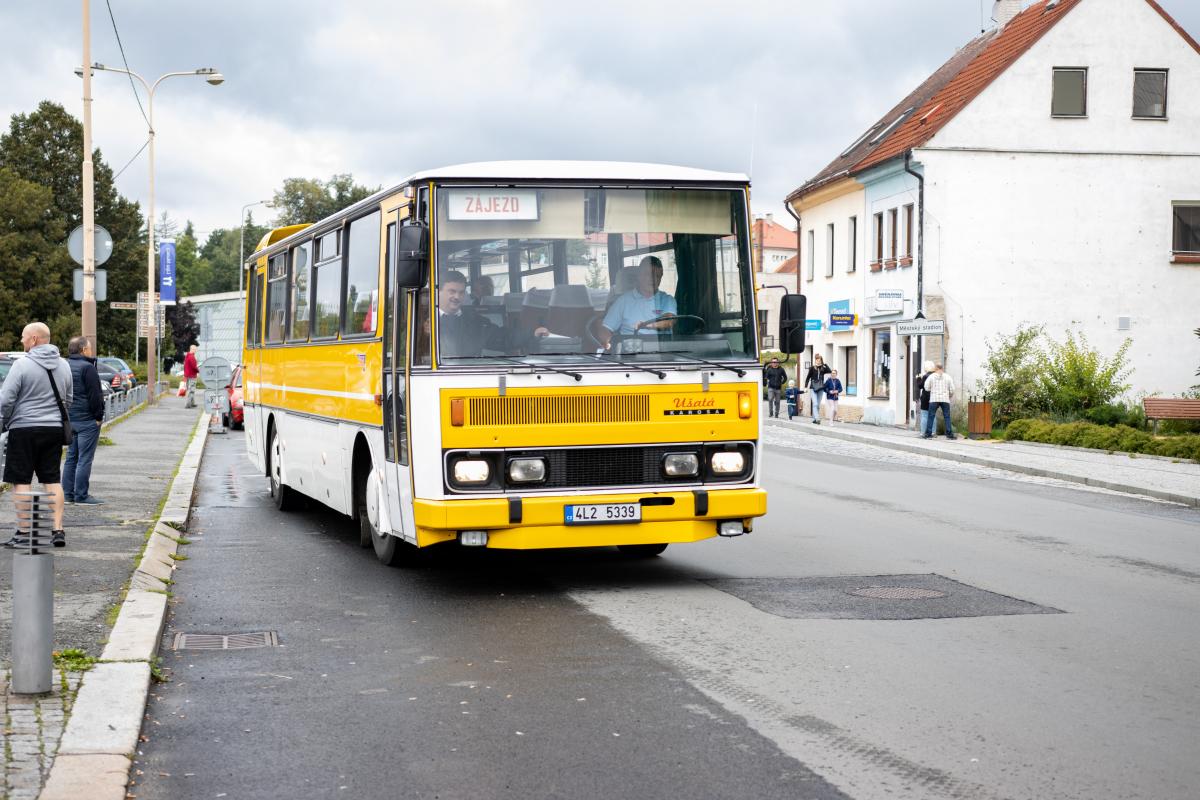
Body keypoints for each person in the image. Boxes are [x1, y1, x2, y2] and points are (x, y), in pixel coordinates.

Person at [0, 322, 72, 548]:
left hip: (24, 429)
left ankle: (23, 532)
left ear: (33, 339)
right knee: (52, 479)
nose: (21, 341)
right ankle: (57, 529)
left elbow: (6, 400)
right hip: (53, 430)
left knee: (20, 480)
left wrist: (6, 420)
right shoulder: (64, 365)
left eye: (23, 337)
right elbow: (68, 399)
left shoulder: (22, 365)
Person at [61, 336, 106, 506]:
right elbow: (95, 395)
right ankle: (81, 495)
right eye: (89, 347)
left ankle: (67, 494)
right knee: (85, 458)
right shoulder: (88, 368)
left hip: (70, 419)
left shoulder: (64, 366)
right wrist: (98, 417)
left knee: (71, 457)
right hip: (87, 420)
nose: (91, 350)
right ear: (82, 350)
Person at [599, 256, 676, 349]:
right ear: (639, 276)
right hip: (630, 352)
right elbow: (607, 328)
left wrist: (646, 325)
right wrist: (605, 342)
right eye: (649, 275)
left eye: (657, 276)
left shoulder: (667, 299)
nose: (653, 279)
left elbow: (668, 321)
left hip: (661, 352)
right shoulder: (623, 301)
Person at [435, 270, 504, 357]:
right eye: (452, 292)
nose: (457, 297)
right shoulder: (421, 320)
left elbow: (502, 338)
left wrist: (525, 334)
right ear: (438, 292)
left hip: (470, 369)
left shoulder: (476, 320)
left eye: (461, 292)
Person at [922, 363, 956, 440]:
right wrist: (949, 395)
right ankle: (949, 434)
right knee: (947, 416)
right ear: (942, 368)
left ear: (935, 369)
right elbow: (952, 389)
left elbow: (926, 387)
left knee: (931, 416)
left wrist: (932, 390)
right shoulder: (948, 377)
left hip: (934, 399)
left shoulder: (931, 377)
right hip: (945, 399)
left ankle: (928, 434)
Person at [804, 354, 831, 424]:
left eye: (820, 360)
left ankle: (815, 419)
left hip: (821, 388)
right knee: (815, 404)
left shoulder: (823, 368)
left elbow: (829, 371)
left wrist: (824, 364)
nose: (818, 361)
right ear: (815, 360)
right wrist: (805, 387)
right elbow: (807, 378)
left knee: (818, 405)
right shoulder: (812, 368)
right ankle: (817, 418)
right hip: (813, 387)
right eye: (817, 360)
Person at [914, 360, 934, 436]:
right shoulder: (935, 375)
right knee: (933, 415)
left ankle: (923, 432)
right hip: (933, 397)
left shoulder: (925, 376)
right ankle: (933, 432)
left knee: (924, 415)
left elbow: (920, 386)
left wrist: (918, 378)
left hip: (925, 397)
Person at [183, 344, 199, 408]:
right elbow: (194, 367)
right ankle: (188, 404)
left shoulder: (187, 356)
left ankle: (192, 403)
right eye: (195, 350)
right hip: (192, 375)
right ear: (192, 349)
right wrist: (198, 371)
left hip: (187, 375)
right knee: (191, 390)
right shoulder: (191, 357)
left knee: (190, 389)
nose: (196, 351)